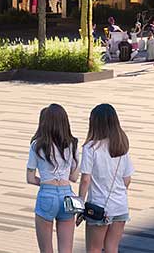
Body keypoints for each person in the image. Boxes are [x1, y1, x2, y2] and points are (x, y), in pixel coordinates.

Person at [77, 104, 133, 253]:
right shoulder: (121, 146)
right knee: (112, 248)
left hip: (98, 207)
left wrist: (80, 203)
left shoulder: (90, 148)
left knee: (94, 249)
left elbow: (85, 180)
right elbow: (127, 179)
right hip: (120, 206)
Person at [27, 103, 79, 253]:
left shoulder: (37, 145)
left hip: (47, 194)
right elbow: (74, 177)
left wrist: (45, 182)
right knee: (66, 250)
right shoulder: (72, 144)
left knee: (46, 250)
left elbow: (30, 178)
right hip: (67, 195)